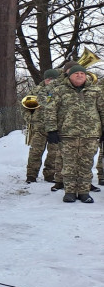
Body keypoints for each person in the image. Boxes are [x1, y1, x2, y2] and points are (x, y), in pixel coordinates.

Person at [41, 63, 104, 203]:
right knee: (69, 165)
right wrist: (51, 130)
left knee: (86, 165)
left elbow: (102, 110)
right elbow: (50, 110)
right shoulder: (59, 91)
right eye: (76, 74)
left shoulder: (96, 91)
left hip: (91, 135)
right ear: (70, 76)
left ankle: (84, 192)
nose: (80, 76)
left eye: (82, 74)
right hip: (67, 134)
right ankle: (69, 192)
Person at [24, 68, 61, 184]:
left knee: (54, 152)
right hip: (39, 128)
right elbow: (25, 108)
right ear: (44, 79)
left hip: (55, 128)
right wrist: (30, 119)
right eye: (48, 79)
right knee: (35, 151)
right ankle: (31, 175)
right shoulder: (36, 91)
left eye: (53, 79)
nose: (50, 81)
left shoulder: (60, 92)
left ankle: (50, 175)